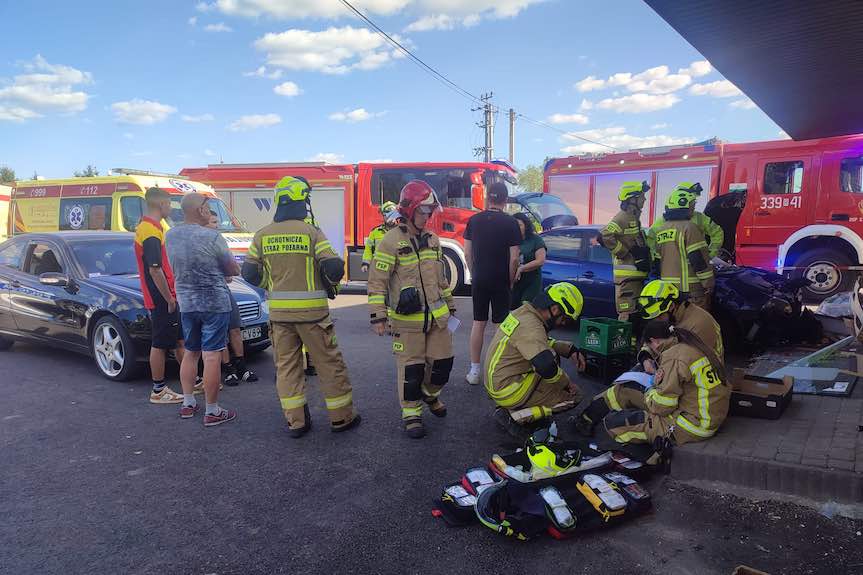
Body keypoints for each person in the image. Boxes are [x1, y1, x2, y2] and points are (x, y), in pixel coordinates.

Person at [242, 176, 360, 438]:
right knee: (329, 365)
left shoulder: (262, 235)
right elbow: (333, 267)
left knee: (287, 368)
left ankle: (296, 423)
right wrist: (328, 279)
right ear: (300, 201)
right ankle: (342, 418)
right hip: (313, 317)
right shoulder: (311, 232)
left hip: (280, 317)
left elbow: (249, 273)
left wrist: (271, 283)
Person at [367, 180, 455, 439]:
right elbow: (377, 281)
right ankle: (412, 414)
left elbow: (440, 279)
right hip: (407, 322)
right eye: (423, 211)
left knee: (442, 365)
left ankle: (429, 396)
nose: (427, 217)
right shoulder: (389, 241)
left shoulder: (434, 240)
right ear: (410, 209)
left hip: (438, 319)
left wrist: (450, 306)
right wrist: (378, 316)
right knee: (411, 370)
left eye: (430, 212)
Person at [576, 319, 729, 447]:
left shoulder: (673, 356)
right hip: (703, 413)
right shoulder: (688, 342)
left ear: (655, 342)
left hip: (692, 425)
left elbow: (661, 407)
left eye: (651, 350)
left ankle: (640, 457)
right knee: (623, 390)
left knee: (615, 424)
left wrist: (650, 388)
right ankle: (586, 418)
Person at [166, 193, 240, 427]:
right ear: (200, 210)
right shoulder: (212, 236)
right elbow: (231, 268)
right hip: (214, 302)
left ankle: (188, 404)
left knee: (191, 353)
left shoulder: (170, 235)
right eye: (207, 207)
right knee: (212, 356)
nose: (209, 211)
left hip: (187, 303)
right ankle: (212, 410)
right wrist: (230, 269)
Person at [484, 282, 587, 428]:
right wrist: (567, 383)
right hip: (508, 391)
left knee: (551, 357)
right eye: (565, 319)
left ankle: (519, 407)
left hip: (498, 382)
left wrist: (570, 350)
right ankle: (516, 416)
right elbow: (546, 367)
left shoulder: (523, 313)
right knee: (575, 396)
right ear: (555, 309)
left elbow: (540, 342)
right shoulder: (532, 328)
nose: (563, 324)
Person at [464, 182, 522, 385]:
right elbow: (514, 258)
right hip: (500, 278)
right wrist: (511, 279)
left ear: (488, 198)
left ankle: (474, 371)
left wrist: (474, 273)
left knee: (478, 323)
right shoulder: (511, 223)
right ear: (505, 200)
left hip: (480, 277)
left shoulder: (474, 221)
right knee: (500, 325)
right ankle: (498, 369)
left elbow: (467, 253)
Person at [134, 187, 185, 404]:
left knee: (180, 340)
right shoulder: (150, 230)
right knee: (161, 343)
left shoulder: (152, 227)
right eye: (169, 203)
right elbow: (155, 269)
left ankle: (192, 378)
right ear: (161, 204)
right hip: (160, 297)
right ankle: (158, 389)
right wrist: (169, 298)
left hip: (166, 295)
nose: (171, 207)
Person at [204, 211, 258, 385]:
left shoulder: (220, 242)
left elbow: (230, 273)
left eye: (217, 221)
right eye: (213, 222)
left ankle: (241, 367)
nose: (216, 225)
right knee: (221, 334)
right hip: (209, 295)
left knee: (235, 329)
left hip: (225, 290)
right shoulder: (201, 244)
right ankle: (228, 370)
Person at [647, 188, 715, 310]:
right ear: (683, 207)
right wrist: (708, 283)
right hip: (691, 291)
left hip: (669, 291)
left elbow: (657, 263)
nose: (693, 209)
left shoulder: (661, 230)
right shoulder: (690, 228)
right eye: (691, 205)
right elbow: (698, 259)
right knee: (695, 325)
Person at [636, 279, 724, 369]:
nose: (656, 321)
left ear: (671, 306)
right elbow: (653, 340)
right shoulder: (670, 318)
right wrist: (645, 357)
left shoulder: (699, 323)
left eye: (658, 316)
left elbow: (685, 360)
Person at [599, 181, 651, 323]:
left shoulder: (633, 218)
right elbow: (604, 234)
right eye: (641, 196)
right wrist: (623, 252)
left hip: (634, 277)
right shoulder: (622, 217)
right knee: (627, 315)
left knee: (635, 315)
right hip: (626, 279)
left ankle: (632, 344)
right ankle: (623, 344)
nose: (644, 199)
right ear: (632, 199)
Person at [510, 212, 547, 309]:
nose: (517, 228)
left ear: (526, 226)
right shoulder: (510, 240)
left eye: (520, 225)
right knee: (512, 310)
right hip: (514, 282)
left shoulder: (535, 239)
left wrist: (521, 268)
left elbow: (540, 261)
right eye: (514, 226)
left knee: (526, 308)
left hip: (531, 282)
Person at [361, 201, 399, 274]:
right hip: (379, 270)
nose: (388, 217)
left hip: (397, 271)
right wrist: (365, 263)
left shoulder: (402, 231)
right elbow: (368, 249)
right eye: (385, 215)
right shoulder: (375, 232)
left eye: (391, 214)